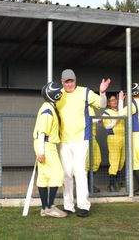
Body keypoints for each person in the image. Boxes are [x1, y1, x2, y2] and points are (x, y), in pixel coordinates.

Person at [56, 69, 110, 217]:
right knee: (67, 173)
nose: (69, 84)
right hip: (63, 140)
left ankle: (84, 206)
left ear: (75, 80)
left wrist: (102, 92)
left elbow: (102, 105)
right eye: (66, 81)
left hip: (81, 139)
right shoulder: (58, 95)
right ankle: (68, 205)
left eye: (71, 81)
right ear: (62, 82)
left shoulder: (85, 92)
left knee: (79, 172)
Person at [32, 82, 67, 218]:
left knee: (45, 176)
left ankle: (45, 208)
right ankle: (50, 207)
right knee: (58, 174)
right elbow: (42, 132)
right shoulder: (48, 109)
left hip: (44, 145)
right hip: (46, 145)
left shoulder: (48, 107)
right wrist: (41, 151)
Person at [102, 95, 126, 192]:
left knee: (122, 161)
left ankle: (117, 181)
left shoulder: (120, 111)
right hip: (113, 137)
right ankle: (111, 184)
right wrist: (116, 120)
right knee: (114, 161)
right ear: (108, 102)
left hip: (123, 137)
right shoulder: (106, 113)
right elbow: (107, 126)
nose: (114, 101)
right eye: (112, 100)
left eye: (115, 100)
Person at [85, 106, 102, 193]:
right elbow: (85, 119)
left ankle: (90, 184)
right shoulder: (82, 105)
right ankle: (86, 186)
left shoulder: (91, 108)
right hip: (86, 137)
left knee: (96, 161)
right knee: (87, 163)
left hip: (93, 137)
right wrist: (98, 119)